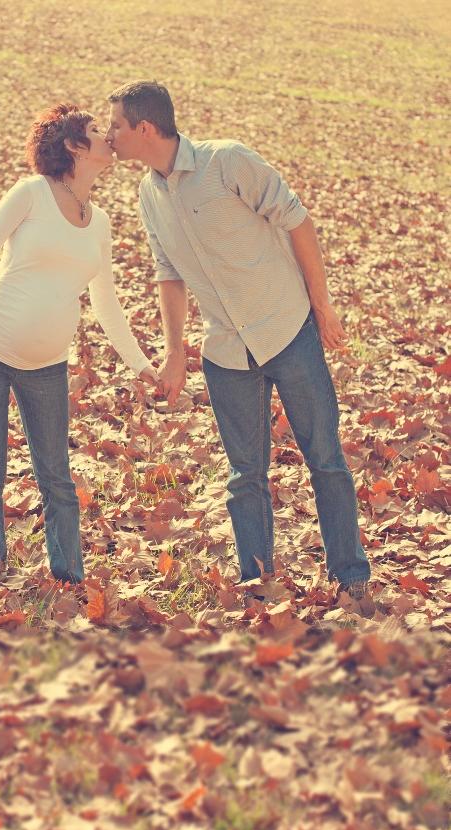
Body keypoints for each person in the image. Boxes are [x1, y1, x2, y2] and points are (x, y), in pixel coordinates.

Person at [105, 81, 371, 599]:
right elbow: (168, 273)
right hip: (226, 351)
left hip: (287, 331)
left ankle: (351, 576)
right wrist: (175, 352)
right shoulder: (147, 194)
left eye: (115, 125)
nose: (109, 134)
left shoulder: (227, 162)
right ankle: (256, 584)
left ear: (144, 128)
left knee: (326, 460)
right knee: (245, 474)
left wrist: (322, 305)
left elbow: (297, 220)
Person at [0, 103, 157, 585]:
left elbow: (106, 304)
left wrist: (141, 364)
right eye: (95, 131)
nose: (107, 137)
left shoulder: (98, 221)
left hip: (48, 366)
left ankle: (68, 575)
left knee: (57, 478)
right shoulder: (31, 193)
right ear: (74, 146)